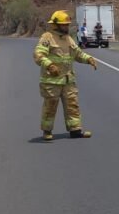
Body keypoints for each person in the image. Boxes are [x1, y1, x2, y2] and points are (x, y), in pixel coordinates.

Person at [34, 10, 97, 141]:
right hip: (52, 81)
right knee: (50, 107)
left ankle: (76, 131)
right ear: (56, 25)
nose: (66, 27)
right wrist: (50, 65)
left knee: (73, 105)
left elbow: (78, 54)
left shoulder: (68, 39)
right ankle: (47, 131)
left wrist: (89, 59)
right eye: (64, 25)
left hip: (68, 80)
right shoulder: (47, 37)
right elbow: (38, 55)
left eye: (67, 24)